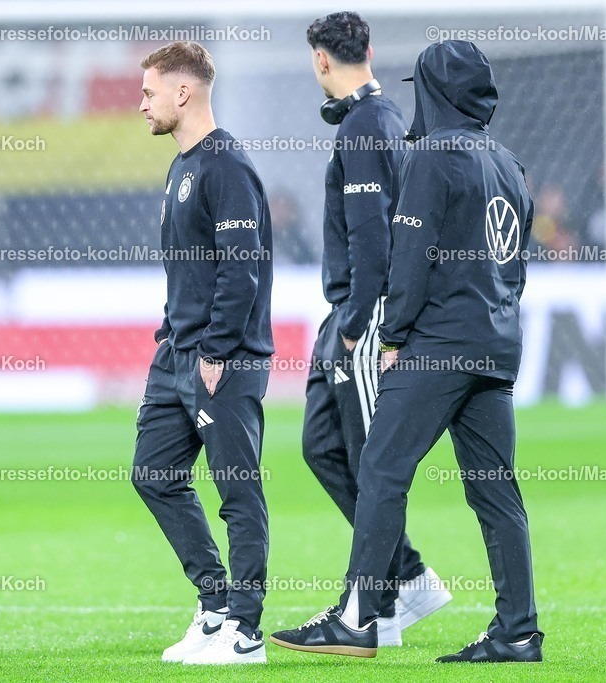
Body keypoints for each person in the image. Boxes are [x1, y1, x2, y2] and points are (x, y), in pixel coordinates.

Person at [270, 40, 544, 664]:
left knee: (381, 469)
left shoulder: (431, 157)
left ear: (434, 92)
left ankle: (359, 618)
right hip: (496, 343)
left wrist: (392, 336)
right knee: (496, 491)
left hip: (437, 345)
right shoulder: (508, 161)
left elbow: (411, 258)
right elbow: (516, 263)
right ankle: (518, 631)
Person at [301, 11, 451, 649]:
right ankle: (405, 578)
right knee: (323, 446)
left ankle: (371, 608)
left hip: (364, 315)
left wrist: (358, 322)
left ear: (321, 59)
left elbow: (372, 236)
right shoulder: (384, 120)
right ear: (369, 49)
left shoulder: (364, 125)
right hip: (350, 309)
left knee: (370, 461)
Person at [131, 41, 274, 666]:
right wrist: (172, 335)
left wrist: (216, 349)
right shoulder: (180, 167)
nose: (142, 105)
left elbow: (241, 268)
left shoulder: (227, 166)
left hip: (223, 358)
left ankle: (246, 631)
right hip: (177, 355)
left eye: (149, 93)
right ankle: (215, 603)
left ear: (183, 92)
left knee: (237, 490)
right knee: (154, 474)